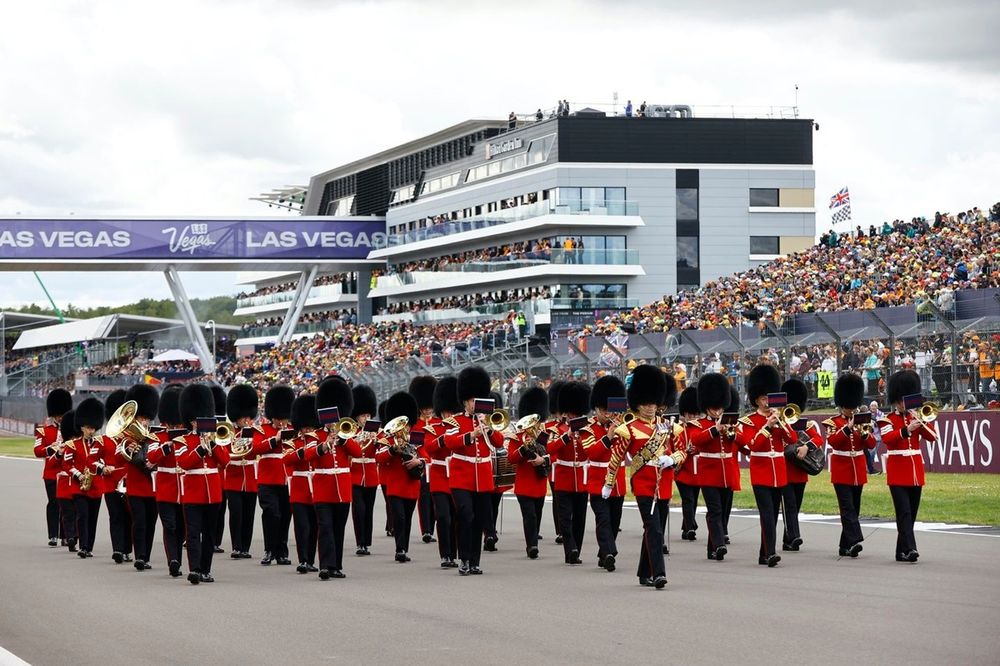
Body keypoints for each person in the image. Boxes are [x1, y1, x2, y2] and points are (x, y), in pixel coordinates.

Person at [604, 365, 681, 589]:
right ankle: (659, 573)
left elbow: (682, 451)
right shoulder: (628, 429)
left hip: (664, 483)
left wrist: (672, 459)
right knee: (655, 529)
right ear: (638, 403)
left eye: (653, 403)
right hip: (644, 484)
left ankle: (643, 572)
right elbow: (617, 456)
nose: (650, 407)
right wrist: (609, 483)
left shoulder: (669, 427)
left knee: (653, 529)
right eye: (646, 403)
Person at [441, 366, 500, 575]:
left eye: (478, 399)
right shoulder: (456, 420)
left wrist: (488, 428)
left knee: (479, 519)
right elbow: (449, 441)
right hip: (461, 476)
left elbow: (499, 442)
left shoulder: (486, 420)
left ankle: (474, 561)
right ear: (465, 401)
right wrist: (471, 436)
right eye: (472, 400)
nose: (475, 403)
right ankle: (463, 559)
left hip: (482, 477)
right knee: (465, 515)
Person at [735, 365, 791, 567]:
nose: (768, 402)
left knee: (773, 515)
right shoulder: (749, 421)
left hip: (779, 472)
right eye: (764, 399)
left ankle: (763, 552)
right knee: (766, 515)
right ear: (757, 399)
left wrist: (781, 423)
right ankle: (770, 553)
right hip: (761, 472)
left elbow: (791, 438)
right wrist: (767, 426)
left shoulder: (779, 418)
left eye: (770, 398)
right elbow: (752, 445)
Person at [175, 383, 230, 584]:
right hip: (192, 492)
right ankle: (195, 569)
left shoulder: (216, 440)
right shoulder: (182, 441)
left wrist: (212, 444)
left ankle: (206, 569)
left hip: (213, 492)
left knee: (209, 535)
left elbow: (225, 461)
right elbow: (184, 463)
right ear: (192, 421)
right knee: (192, 534)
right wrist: (200, 448)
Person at [308, 378, 364, 579]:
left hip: (342, 489)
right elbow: (307, 454)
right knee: (325, 528)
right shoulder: (315, 435)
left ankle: (336, 566)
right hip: (323, 488)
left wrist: (342, 439)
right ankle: (325, 565)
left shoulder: (346, 434)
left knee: (338, 528)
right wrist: (323, 446)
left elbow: (357, 453)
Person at [880, 370, 933, 563]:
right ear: (896, 400)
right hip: (897, 471)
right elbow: (888, 439)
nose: (905, 404)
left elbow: (933, 437)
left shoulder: (917, 417)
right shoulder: (886, 419)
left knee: (911, 513)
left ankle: (900, 550)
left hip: (915, 471)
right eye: (903, 400)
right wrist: (906, 430)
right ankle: (910, 549)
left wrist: (920, 422)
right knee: (904, 512)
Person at [824, 374, 874, 558]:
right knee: (847, 509)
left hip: (858, 469)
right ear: (842, 405)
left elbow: (872, 444)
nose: (851, 409)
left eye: (853, 406)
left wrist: (863, 433)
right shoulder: (832, 422)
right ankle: (854, 541)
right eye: (848, 406)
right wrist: (847, 428)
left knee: (855, 507)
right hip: (841, 469)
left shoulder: (863, 421)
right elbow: (834, 442)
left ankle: (844, 546)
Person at [582, 376, 627, 572]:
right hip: (598, 481)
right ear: (597, 409)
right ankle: (609, 552)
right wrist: (609, 437)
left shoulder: (623, 427)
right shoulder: (587, 428)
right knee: (603, 518)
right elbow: (590, 452)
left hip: (617, 481)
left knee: (615, 520)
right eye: (604, 411)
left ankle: (604, 552)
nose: (609, 414)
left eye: (611, 410)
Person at [375, 390, 425, 564]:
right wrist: (393, 450)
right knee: (399, 517)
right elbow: (379, 457)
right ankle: (400, 549)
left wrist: (418, 461)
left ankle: (405, 547)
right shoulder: (388, 438)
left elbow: (425, 455)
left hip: (411, 483)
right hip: (395, 484)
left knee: (408, 517)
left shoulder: (417, 435)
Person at [691, 373, 736, 561]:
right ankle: (719, 545)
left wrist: (731, 434)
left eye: (719, 408)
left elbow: (737, 443)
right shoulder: (698, 424)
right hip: (709, 471)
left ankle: (712, 548)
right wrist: (715, 429)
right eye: (714, 408)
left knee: (723, 510)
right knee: (715, 510)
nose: (717, 411)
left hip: (727, 472)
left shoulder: (730, 422)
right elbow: (697, 439)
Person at [547, 381, 591, 565]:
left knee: (580, 517)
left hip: (581, 477)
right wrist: (567, 436)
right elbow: (550, 447)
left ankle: (576, 550)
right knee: (565, 517)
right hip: (564, 476)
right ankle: (570, 548)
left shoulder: (587, 429)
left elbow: (591, 451)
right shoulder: (557, 429)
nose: (574, 415)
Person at [251, 385, 295, 566]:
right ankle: (269, 549)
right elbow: (255, 449)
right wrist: (275, 439)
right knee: (271, 514)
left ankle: (281, 551)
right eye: (278, 419)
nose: (282, 422)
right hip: (267, 479)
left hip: (287, 479)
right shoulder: (261, 430)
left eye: (284, 418)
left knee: (285, 515)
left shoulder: (293, 429)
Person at [146, 384, 186, 577]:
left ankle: (177, 555)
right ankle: (173, 560)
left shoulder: (187, 434)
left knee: (182, 527)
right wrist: (166, 447)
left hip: (184, 487)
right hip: (165, 486)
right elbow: (152, 457)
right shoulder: (157, 434)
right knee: (169, 526)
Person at [507, 387, 550, 560]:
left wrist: (543, 460)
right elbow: (511, 458)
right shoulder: (517, 436)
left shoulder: (543, 435)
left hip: (538, 482)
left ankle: (534, 540)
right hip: (524, 483)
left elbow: (550, 454)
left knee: (537, 514)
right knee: (529, 515)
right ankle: (531, 545)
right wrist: (523, 449)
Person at [122, 383, 160, 571]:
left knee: (151, 523)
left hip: (153, 488)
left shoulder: (156, 436)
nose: (144, 421)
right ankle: (140, 556)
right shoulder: (127, 436)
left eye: (146, 418)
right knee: (139, 523)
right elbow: (131, 458)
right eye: (141, 418)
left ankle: (146, 556)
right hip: (136, 486)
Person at [424, 377, 460, 567]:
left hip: (456, 474)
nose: (449, 414)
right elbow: (429, 447)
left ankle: (454, 554)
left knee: (455, 517)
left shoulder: (460, 425)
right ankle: (445, 555)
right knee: (443, 517)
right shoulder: (433, 427)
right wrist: (444, 438)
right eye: (447, 411)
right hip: (438, 475)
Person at [64, 397, 106, 558]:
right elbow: (67, 465)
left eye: (93, 428)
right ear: (82, 428)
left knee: (93, 518)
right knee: (82, 515)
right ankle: (82, 545)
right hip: (79, 485)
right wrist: (79, 475)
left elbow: (105, 460)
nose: (91, 431)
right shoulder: (72, 445)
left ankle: (89, 547)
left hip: (95, 485)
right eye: (88, 428)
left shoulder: (100, 443)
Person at [224, 384, 259, 559]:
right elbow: (225, 451)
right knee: (236, 514)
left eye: (248, 416)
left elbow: (259, 448)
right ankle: (236, 546)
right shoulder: (228, 433)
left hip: (250, 479)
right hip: (233, 478)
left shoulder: (255, 432)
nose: (245, 419)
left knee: (249, 515)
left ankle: (245, 547)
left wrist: (250, 435)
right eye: (242, 416)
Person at [35, 388, 72, 547]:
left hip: (66, 472)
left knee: (67, 504)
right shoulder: (43, 431)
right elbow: (37, 451)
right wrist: (51, 448)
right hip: (51, 473)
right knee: (53, 503)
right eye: (58, 415)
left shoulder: (70, 430)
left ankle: (65, 535)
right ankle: (53, 535)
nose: (60, 417)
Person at [285, 395, 318, 574]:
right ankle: (303, 559)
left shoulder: (319, 442)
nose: (307, 430)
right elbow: (287, 459)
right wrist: (303, 450)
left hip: (316, 487)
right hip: (299, 488)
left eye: (310, 427)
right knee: (301, 526)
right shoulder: (292, 443)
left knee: (314, 527)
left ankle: (311, 559)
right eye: (304, 427)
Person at [101, 390, 132, 564]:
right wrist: (103, 467)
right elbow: (92, 461)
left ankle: (128, 549)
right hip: (110, 482)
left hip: (128, 481)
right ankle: (118, 549)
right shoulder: (103, 440)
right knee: (115, 516)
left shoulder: (131, 438)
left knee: (129, 517)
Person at [779, 378, 810, 552]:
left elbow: (818, 438)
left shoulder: (804, 423)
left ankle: (787, 539)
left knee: (795, 506)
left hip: (800, 471)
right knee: (789, 505)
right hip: (785, 470)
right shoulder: (780, 423)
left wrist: (807, 446)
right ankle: (795, 536)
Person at [349, 385, 380, 556]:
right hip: (355, 474)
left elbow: (381, 453)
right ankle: (360, 542)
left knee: (368, 509)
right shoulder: (350, 431)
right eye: (363, 415)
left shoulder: (376, 432)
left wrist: (376, 441)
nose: (366, 418)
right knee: (358, 510)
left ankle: (366, 541)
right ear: (357, 416)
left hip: (370, 474)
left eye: (368, 415)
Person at [408, 376, 437, 545]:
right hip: (423, 465)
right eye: (424, 409)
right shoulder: (415, 426)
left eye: (429, 409)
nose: (427, 412)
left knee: (435, 498)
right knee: (424, 498)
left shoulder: (439, 423)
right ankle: (426, 530)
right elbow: (415, 447)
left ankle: (432, 527)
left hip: (437, 466)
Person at [673, 386, 701, 541]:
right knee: (688, 499)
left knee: (694, 499)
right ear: (684, 414)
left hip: (697, 470)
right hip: (682, 469)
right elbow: (676, 446)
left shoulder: (700, 428)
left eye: (696, 414)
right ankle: (690, 527)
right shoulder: (678, 429)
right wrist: (685, 450)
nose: (694, 417)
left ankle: (686, 526)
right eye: (691, 414)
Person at [54, 409, 79, 552]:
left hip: (78, 483)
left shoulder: (83, 445)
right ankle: (70, 537)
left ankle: (74, 537)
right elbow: (53, 463)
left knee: (77, 513)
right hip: (64, 484)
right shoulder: (63, 446)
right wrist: (59, 452)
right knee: (68, 513)